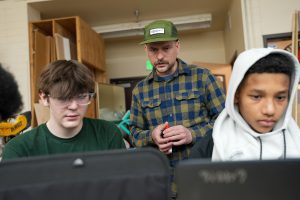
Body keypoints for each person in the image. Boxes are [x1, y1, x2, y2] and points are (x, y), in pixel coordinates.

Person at [130, 20, 226, 195]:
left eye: (165, 48)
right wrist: (151, 136)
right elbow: (134, 133)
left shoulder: (203, 78)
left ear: (177, 46)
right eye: (153, 50)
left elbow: (226, 123)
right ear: (146, 50)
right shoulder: (140, 90)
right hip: (162, 183)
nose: (159, 56)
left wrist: (192, 134)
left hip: (203, 179)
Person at [2, 60, 125, 160]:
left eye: (81, 97)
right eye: (63, 98)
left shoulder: (108, 134)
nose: (74, 106)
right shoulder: (19, 149)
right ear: (44, 98)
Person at [210, 48, 300, 161]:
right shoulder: (213, 143)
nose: (270, 110)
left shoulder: (296, 139)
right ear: (236, 95)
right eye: (257, 97)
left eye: (280, 97)